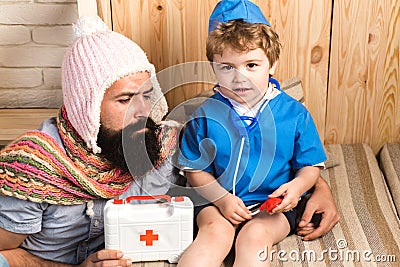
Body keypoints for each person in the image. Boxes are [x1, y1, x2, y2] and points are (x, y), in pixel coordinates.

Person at [0, 16, 183, 267]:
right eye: (125, 99)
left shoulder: (159, 147)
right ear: (86, 108)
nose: (142, 112)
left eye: (147, 96)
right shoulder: (33, 170)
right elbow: (3, 255)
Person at [177, 0, 338, 266]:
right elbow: (194, 169)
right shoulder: (205, 115)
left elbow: (311, 166)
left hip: (271, 206)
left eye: (251, 65)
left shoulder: (294, 114)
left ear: (272, 63)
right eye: (227, 67)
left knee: (255, 236)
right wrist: (223, 200)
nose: (240, 78)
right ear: (213, 67)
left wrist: (297, 188)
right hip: (217, 202)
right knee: (214, 235)